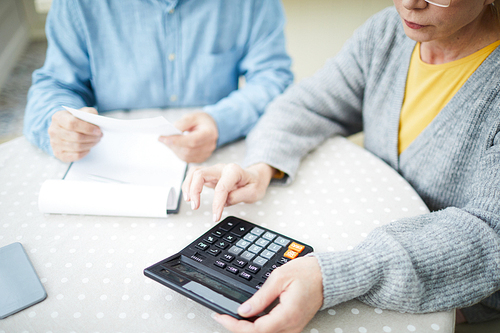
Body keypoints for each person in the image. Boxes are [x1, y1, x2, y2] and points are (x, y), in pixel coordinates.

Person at [182, 0, 500, 332]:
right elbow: (306, 103)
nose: (409, 3)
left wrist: (336, 275)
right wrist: (262, 168)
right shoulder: (387, 32)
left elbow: (489, 233)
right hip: (364, 248)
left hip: (458, 288)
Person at [23, 0, 293, 163]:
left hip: (220, 155)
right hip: (108, 161)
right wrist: (56, 123)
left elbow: (273, 77)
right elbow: (56, 84)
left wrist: (221, 121)